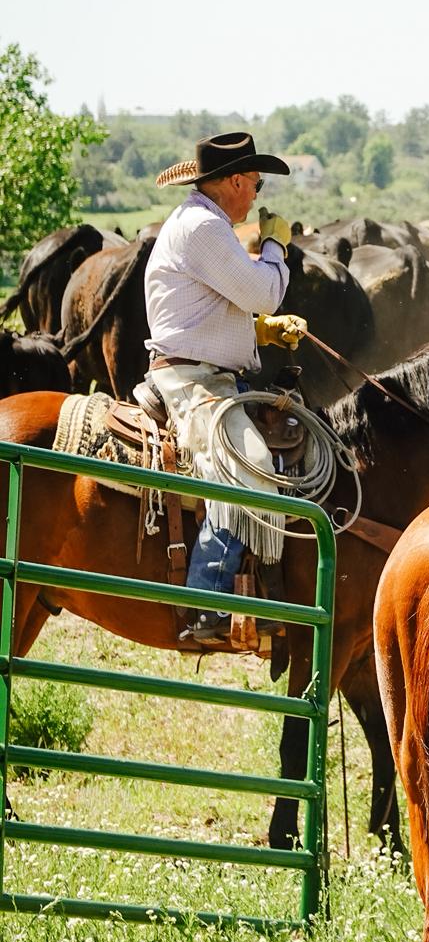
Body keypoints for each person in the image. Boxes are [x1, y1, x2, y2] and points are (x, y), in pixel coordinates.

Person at [145, 131, 307, 644]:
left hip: (202, 370)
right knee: (250, 468)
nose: (258, 194)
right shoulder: (203, 229)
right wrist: (276, 246)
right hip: (193, 380)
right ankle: (209, 605)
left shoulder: (202, 223)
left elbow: (208, 308)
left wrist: (257, 333)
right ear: (234, 180)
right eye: (255, 183)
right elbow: (264, 291)